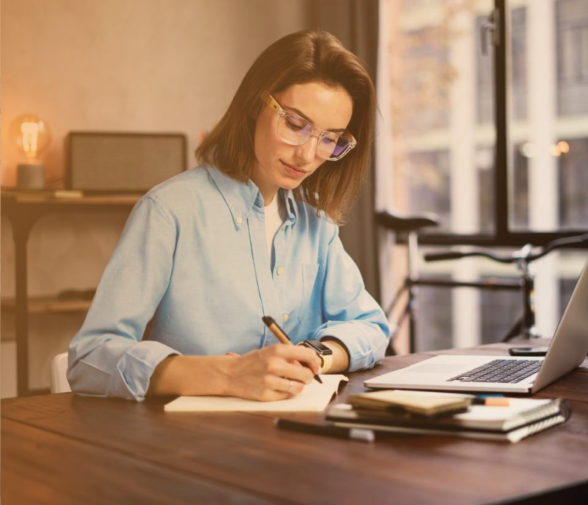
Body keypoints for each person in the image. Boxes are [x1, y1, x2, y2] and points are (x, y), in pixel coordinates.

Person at [67, 30, 389, 402]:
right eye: (295, 125)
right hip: (190, 445)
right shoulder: (169, 211)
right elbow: (90, 357)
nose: (308, 155)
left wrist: (316, 357)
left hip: (296, 442)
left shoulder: (317, 226)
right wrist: (228, 375)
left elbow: (371, 326)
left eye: (330, 138)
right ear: (256, 104)